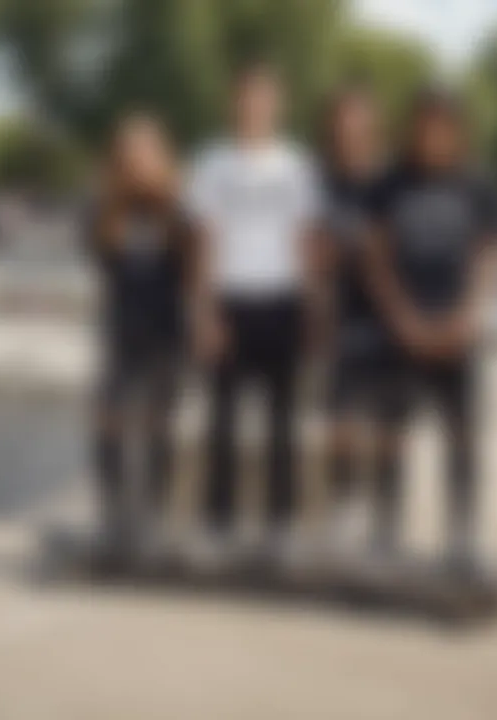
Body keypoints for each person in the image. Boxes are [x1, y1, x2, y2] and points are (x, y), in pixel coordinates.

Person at [363, 86, 497, 571]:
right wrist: (401, 317)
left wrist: (471, 313)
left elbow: (493, 254)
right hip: (402, 331)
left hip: (457, 330)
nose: (432, 134)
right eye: (424, 124)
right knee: (391, 438)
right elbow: (376, 257)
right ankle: (385, 536)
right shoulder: (389, 184)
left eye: (443, 125)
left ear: (458, 130)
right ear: (413, 126)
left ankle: (462, 540)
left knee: (463, 437)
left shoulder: (479, 184)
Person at [187, 61, 320, 561]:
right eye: (246, 97)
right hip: (230, 302)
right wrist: (204, 313)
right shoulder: (212, 165)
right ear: (234, 102)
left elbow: (304, 240)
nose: (254, 106)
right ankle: (217, 525)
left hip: (282, 302)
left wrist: (310, 310)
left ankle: (278, 527)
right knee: (221, 420)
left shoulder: (296, 166)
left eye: (264, 98)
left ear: (277, 104)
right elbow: (204, 242)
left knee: (282, 423)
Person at [86, 114, 191, 563]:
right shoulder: (106, 210)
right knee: (109, 422)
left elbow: (195, 260)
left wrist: (169, 196)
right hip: (121, 332)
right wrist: (116, 197)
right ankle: (114, 518)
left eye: (146, 153)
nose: (137, 162)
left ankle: (153, 518)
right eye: (129, 154)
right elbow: (99, 254)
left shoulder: (178, 209)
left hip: (166, 333)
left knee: (157, 427)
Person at [317, 83, 393, 552]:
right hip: (339, 316)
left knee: (387, 425)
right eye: (341, 120)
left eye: (358, 119)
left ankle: (385, 517)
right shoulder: (317, 180)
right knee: (340, 424)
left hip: (389, 315)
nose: (349, 128)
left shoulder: (392, 181)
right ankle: (344, 507)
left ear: (372, 126)